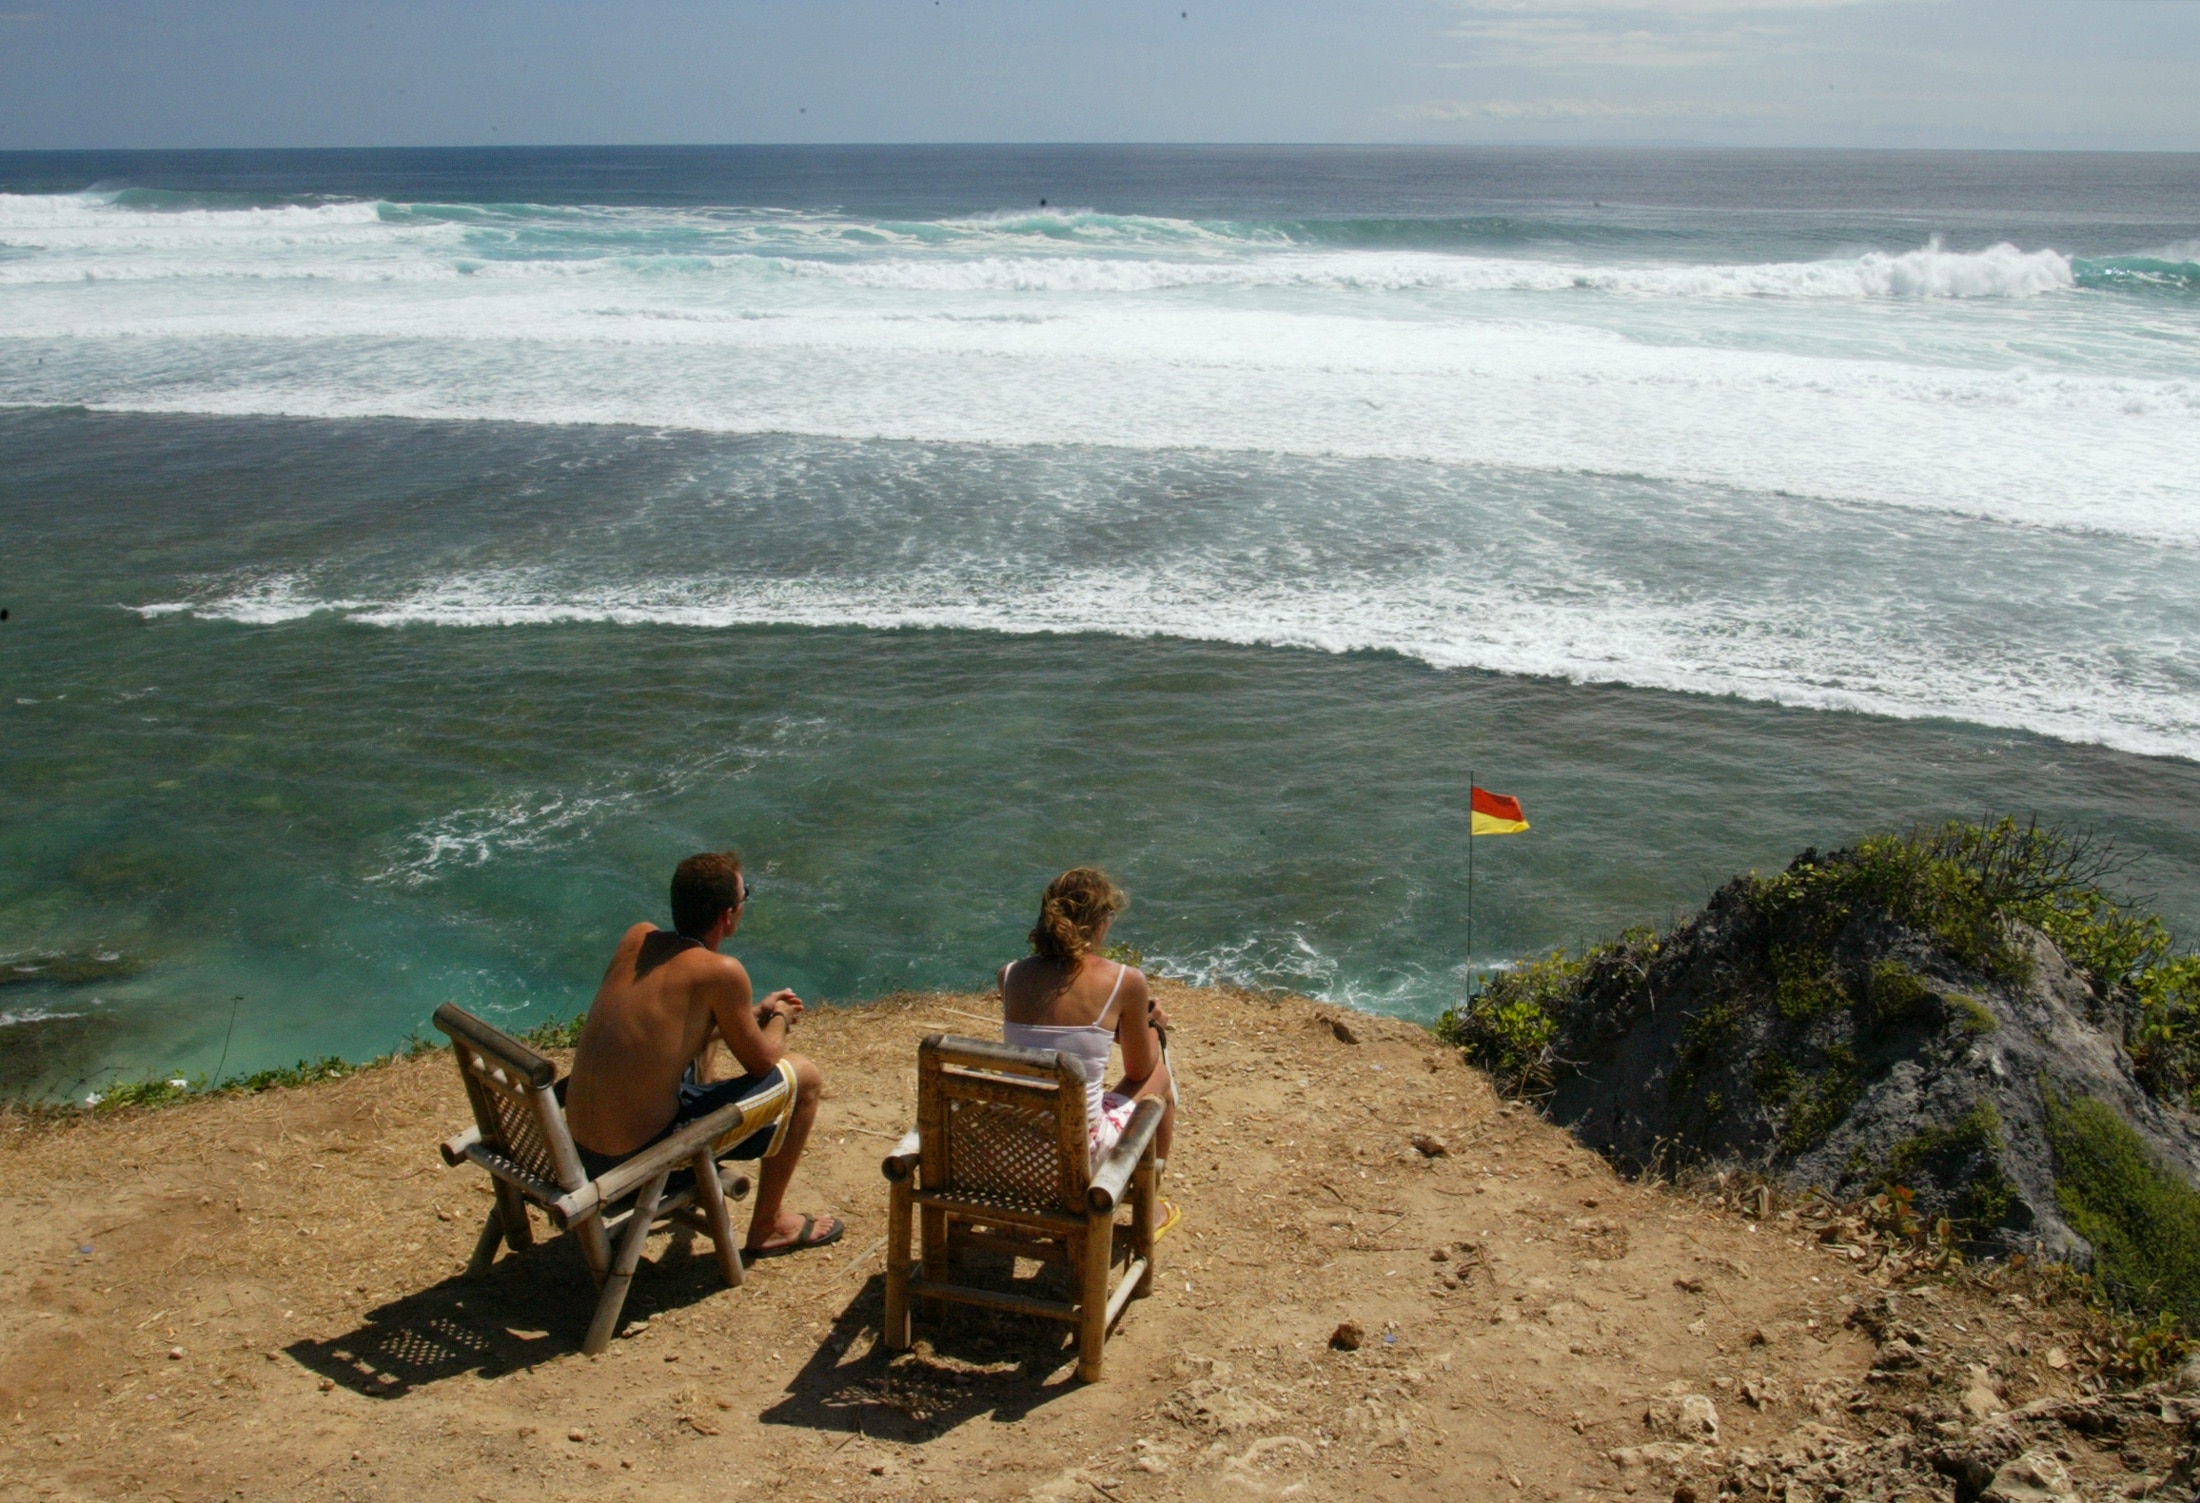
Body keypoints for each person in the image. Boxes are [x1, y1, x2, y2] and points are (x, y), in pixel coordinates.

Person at [564, 851, 842, 1257]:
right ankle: (769, 1225)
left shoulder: (637, 938)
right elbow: (763, 1062)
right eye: (746, 894)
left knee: (704, 1052)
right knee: (805, 1077)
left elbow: (676, 1022)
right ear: (727, 917)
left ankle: (722, 1173)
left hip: (581, 1151)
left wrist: (749, 1014)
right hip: (633, 1168)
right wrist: (779, 1015)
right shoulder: (720, 971)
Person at [999, 868, 1179, 1186]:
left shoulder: (1010, 976)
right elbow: (1139, 1071)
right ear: (1101, 922)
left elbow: (1056, 1031)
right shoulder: (1126, 980)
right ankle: (1149, 1203)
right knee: (1160, 1076)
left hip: (1017, 1148)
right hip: (1079, 1155)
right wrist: (1151, 1027)